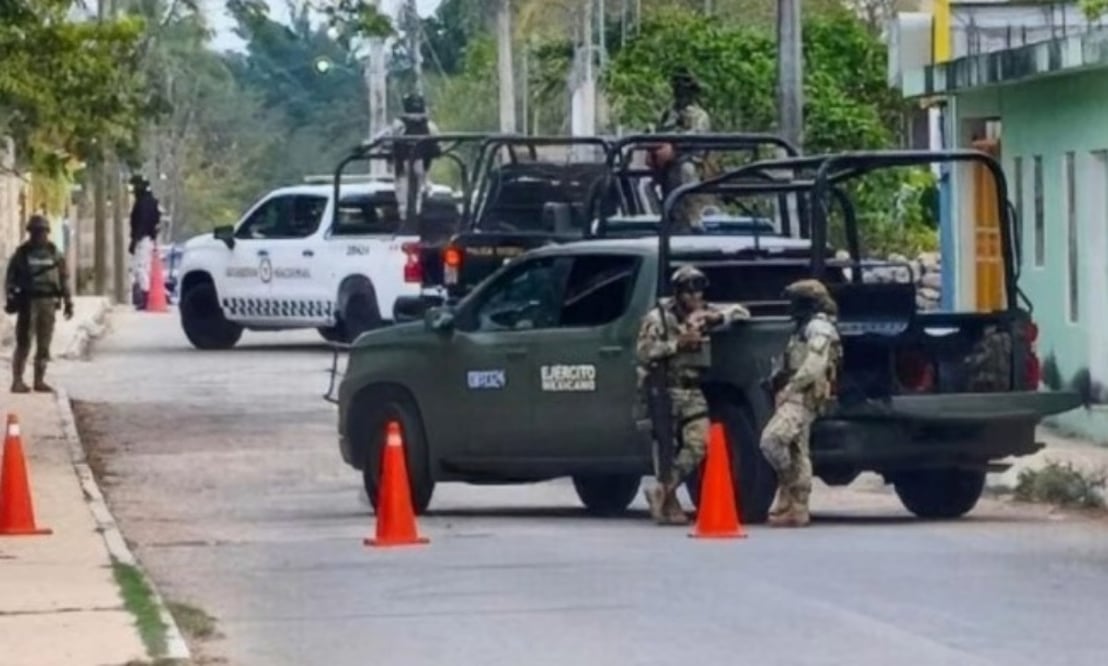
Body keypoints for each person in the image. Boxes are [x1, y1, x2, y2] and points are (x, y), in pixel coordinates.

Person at [635, 265, 750, 525]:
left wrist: (714, 318)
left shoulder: (702, 313)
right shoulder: (658, 319)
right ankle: (669, 500)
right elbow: (644, 353)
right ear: (678, 293)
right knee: (666, 448)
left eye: (699, 291)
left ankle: (663, 490)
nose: (695, 297)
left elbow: (741, 312)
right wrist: (678, 344)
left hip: (692, 388)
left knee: (700, 442)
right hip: (664, 387)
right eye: (689, 292)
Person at [759, 279, 843, 528]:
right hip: (797, 393)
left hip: (803, 395)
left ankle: (789, 488)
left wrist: (790, 388)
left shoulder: (818, 327)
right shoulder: (803, 328)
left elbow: (815, 365)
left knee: (771, 440)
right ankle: (798, 508)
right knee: (797, 451)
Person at [5, 215, 74, 393]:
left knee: (44, 343)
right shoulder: (21, 254)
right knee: (24, 342)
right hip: (28, 302)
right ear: (30, 233)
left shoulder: (54, 253)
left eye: (42, 231)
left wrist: (68, 301)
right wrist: (11, 298)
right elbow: (10, 280)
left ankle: (39, 380)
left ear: (47, 232)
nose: (39, 235)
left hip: (48, 302)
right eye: (36, 232)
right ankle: (17, 380)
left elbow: (64, 279)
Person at [649, 67, 712, 232]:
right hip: (666, 166)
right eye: (676, 86)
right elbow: (659, 131)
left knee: (686, 174)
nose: (679, 90)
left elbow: (696, 138)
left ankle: (692, 224)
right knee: (654, 189)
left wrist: (675, 146)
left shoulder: (699, 115)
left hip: (689, 163)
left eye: (683, 86)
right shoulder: (668, 113)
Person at [375, 92, 441, 223]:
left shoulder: (398, 124)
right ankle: (416, 217)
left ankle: (406, 221)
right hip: (421, 171)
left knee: (404, 198)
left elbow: (383, 139)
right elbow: (438, 146)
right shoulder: (429, 125)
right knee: (420, 194)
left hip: (404, 168)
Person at [128, 175, 161, 310]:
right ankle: (142, 296)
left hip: (143, 238)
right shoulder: (149, 201)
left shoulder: (144, 203)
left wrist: (135, 240)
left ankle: (145, 297)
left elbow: (142, 223)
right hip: (146, 238)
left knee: (141, 268)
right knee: (140, 268)